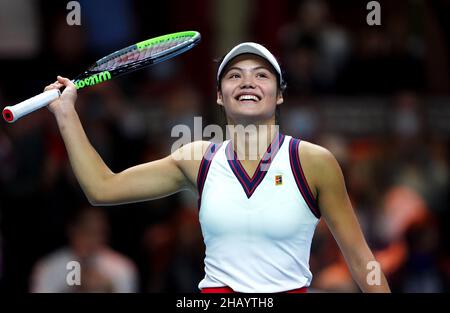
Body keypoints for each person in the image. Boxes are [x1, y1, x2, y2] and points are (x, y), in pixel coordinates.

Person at [44, 42, 390, 293]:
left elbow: (362, 261)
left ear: (279, 95)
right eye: (235, 75)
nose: (248, 82)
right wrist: (66, 114)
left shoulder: (314, 162)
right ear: (220, 96)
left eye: (262, 75)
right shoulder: (197, 159)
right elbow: (102, 188)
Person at [30, 206, 138, 293]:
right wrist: (76, 288)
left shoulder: (122, 268)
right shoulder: (49, 267)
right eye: (88, 231)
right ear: (72, 230)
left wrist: (110, 289)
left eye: (100, 232)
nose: (94, 239)